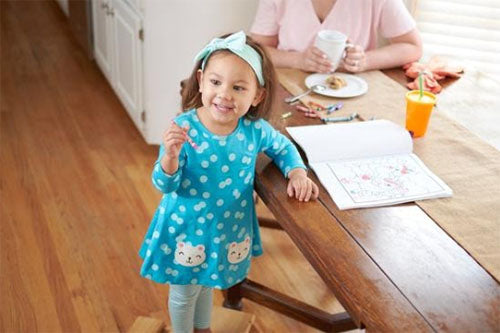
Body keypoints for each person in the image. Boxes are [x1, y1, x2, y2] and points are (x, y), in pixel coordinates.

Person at [138, 31, 319, 333]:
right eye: (216, 82)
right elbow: (165, 185)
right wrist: (169, 157)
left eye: (238, 87)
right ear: (201, 80)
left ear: (257, 95)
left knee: (208, 280)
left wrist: (297, 171)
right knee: (184, 292)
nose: (224, 94)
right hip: (186, 228)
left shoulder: (254, 130)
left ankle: (203, 327)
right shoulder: (183, 128)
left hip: (226, 229)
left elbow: (284, 147)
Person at [250, 0, 423, 73]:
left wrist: (365, 61)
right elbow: (255, 50)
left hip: (354, 93)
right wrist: (298, 60)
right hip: (288, 90)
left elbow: (412, 46)